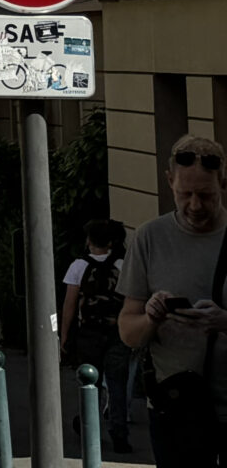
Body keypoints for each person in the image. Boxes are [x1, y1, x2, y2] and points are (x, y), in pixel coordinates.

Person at [119, 134, 227, 466]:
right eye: (185, 194)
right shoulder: (149, 238)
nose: (195, 205)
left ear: (223, 183)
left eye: (206, 195)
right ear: (169, 182)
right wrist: (151, 316)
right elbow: (128, 331)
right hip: (177, 410)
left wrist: (223, 321)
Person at [61, 217, 132, 454]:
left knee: (89, 382)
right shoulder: (124, 265)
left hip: (89, 333)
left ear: (90, 240)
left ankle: (87, 426)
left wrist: (64, 338)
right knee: (117, 384)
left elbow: (69, 305)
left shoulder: (79, 266)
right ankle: (119, 433)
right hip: (118, 332)